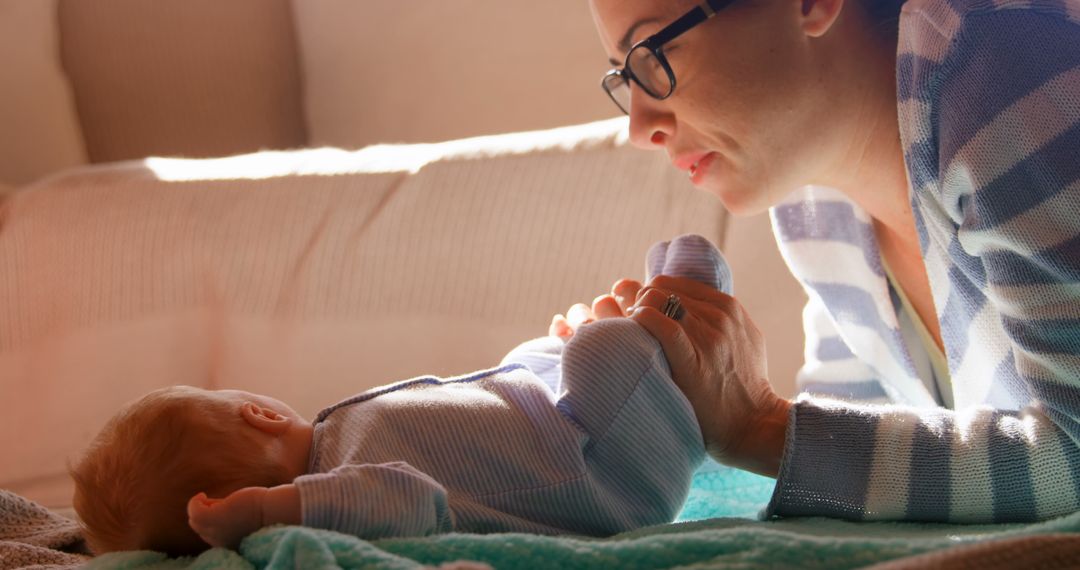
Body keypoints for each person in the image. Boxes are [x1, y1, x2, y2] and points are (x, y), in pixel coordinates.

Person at [570, 0, 1080, 523]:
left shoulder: (1000, 62)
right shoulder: (811, 209)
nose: (639, 126)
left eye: (655, 52)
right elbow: (861, 469)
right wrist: (664, 400)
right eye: (625, 75)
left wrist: (759, 427)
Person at [70, 234, 732, 556]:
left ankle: (644, 330)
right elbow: (416, 498)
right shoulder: (346, 489)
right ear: (263, 414)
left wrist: (542, 369)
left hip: (568, 433)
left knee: (531, 358)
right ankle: (687, 298)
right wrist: (274, 507)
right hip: (611, 479)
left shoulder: (342, 443)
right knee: (601, 349)